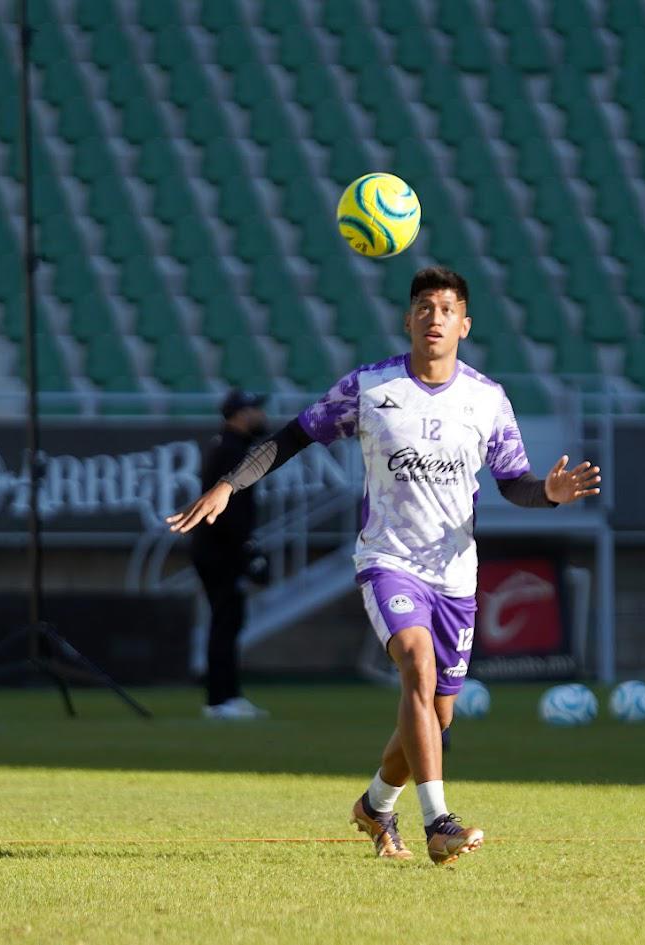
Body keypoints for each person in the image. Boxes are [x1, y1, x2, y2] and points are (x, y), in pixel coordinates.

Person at [167, 267, 601, 864]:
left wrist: (548, 493)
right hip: (387, 560)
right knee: (416, 667)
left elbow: (515, 485)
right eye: (424, 306)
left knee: (437, 713)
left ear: (465, 325)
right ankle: (438, 824)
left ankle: (374, 807)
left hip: (455, 573)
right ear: (408, 319)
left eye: (448, 309)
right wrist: (227, 484)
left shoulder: (487, 399)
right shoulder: (370, 388)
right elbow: (292, 437)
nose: (435, 317)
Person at [192, 388, 272, 721]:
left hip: (218, 550)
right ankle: (221, 699)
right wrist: (246, 550)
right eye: (255, 410)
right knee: (225, 623)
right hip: (221, 552)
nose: (261, 416)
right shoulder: (230, 450)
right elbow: (228, 511)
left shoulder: (229, 447)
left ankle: (226, 696)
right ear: (240, 415)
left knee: (228, 622)